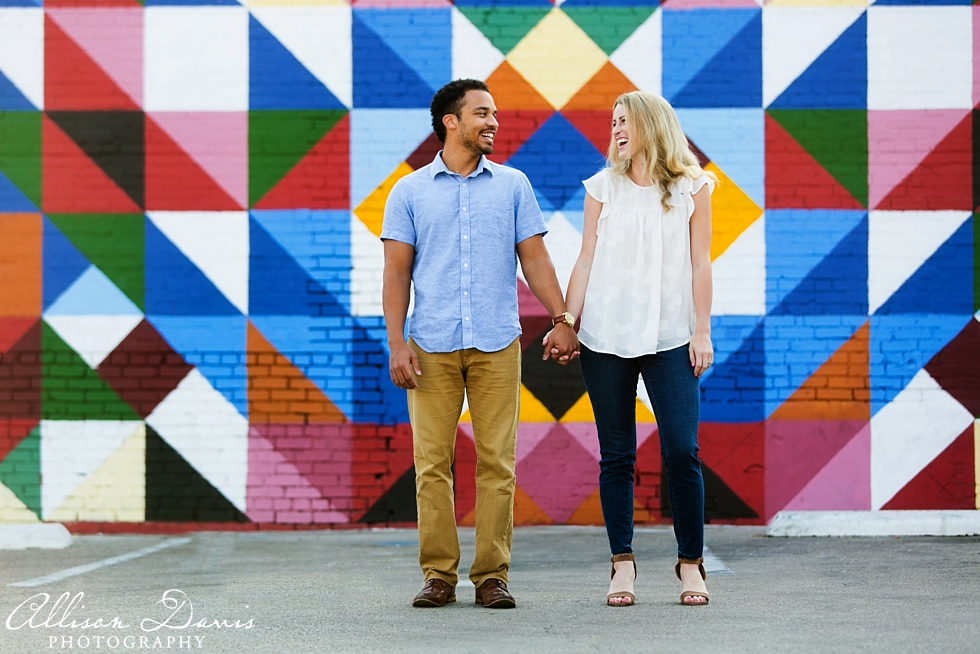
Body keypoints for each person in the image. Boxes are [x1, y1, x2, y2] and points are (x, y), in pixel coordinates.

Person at [381, 79, 580, 609]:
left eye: (494, 114)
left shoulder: (513, 185)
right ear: (451, 121)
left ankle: (492, 575)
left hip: (497, 342)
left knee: (498, 464)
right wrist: (396, 342)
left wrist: (562, 317)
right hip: (430, 346)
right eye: (482, 113)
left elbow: (534, 259)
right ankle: (439, 576)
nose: (493, 122)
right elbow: (397, 273)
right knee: (432, 464)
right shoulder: (409, 192)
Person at [560, 91, 715, 607]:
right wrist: (566, 319)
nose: (616, 129)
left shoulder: (694, 187)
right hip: (605, 336)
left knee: (681, 450)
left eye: (624, 121)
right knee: (617, 456)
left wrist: (702, 330)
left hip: (672, 336)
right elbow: (585, 260)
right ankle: (621, 564)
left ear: (652, 124)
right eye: (613, 123)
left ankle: (690, 564)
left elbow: (700, 264)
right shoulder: (602, 187)